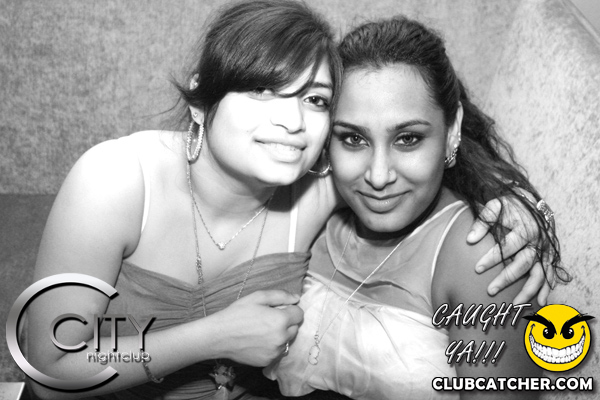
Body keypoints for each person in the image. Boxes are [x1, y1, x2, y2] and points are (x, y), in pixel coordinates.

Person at [27, 1, 551, 399]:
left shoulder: (321, 187)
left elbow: (411, 169)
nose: (292, 120)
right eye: (262, 90)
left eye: (315, 99)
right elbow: (50, 367)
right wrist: (213, 336)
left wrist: (517, 207)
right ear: (201, 100)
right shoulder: (116, 180)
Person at [266, 16, 567, 400]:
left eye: (407, 139)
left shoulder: (480, 256)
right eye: (353, 138)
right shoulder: (309, 207)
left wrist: (536, 210)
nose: (378, 176)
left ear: (452, 130)